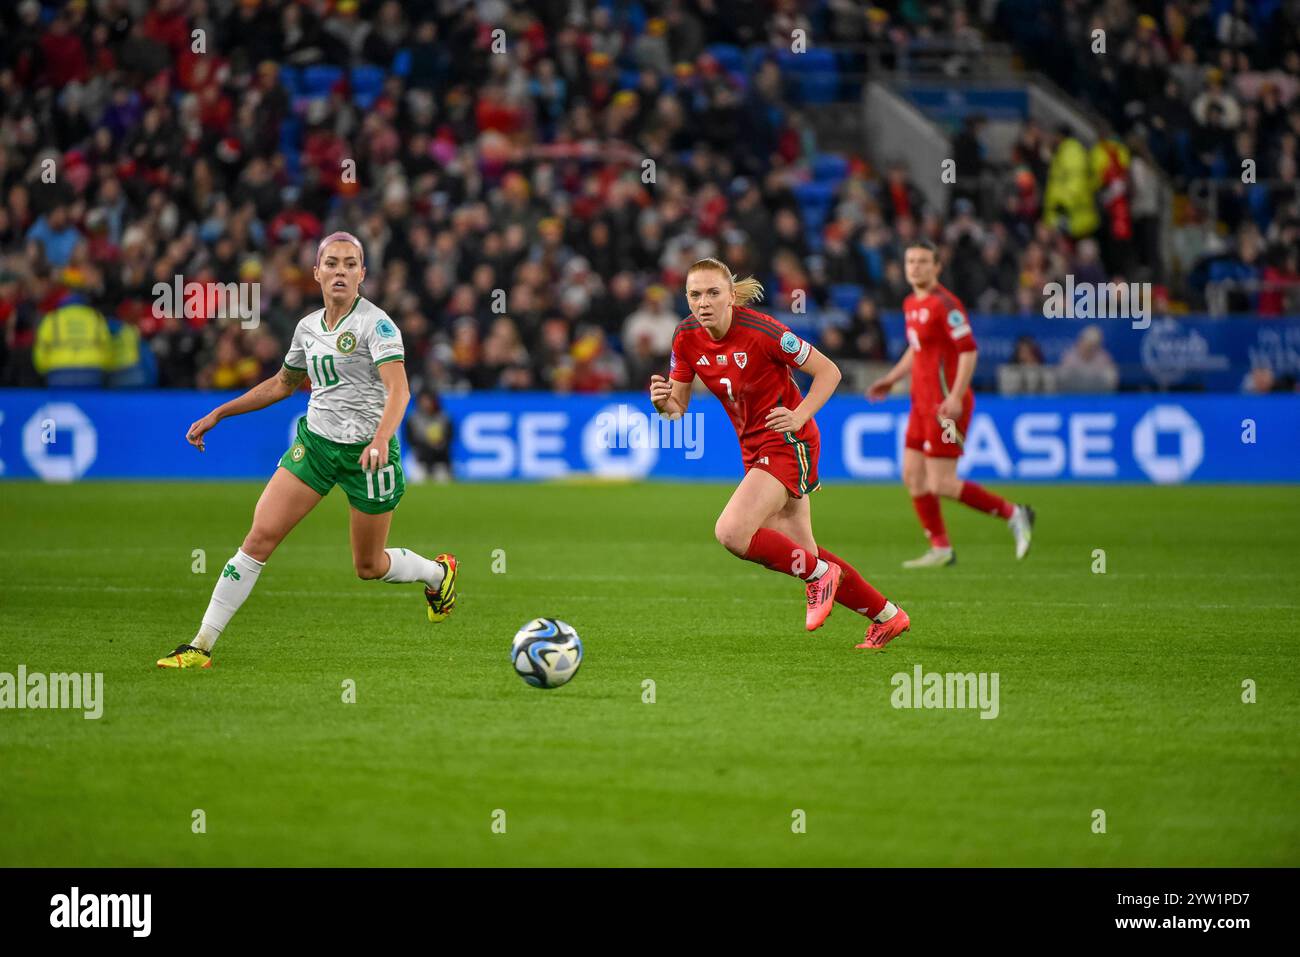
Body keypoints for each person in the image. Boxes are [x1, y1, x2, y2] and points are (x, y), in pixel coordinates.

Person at [157, 232, 457, 668]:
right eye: (332, 263)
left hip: (368, 458)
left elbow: (400, 392)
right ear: (316, 272)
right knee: (258, 539)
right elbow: (283, 383)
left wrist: (378, 440)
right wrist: (221, 412)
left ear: (362, 274)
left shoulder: (378, 325)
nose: (340, 271)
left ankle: (437, 572)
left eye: (350, 264)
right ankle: (200, 645)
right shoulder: (308, 328)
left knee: (369, 567)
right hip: (314, 448)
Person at [650, 257, 910, 651]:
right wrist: (661, 404)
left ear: (732, 296)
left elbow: (829, 372)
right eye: (695, 294)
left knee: (732, 532)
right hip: (753, 448)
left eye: (713, 293)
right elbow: (678, 411)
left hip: (789, 440)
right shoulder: (685, 337)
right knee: (803, 552)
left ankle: (819, 576)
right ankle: (888, 616)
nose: (703, 302)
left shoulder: (763, 330)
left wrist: (800, 413)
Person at [867, 240, 1034, 568]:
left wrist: (956, 395)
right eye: (910, 261)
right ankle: (940, 547)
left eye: (923, 261)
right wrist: (891, 378)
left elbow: (969, 350)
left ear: (937, 267)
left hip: (946, 405)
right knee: (913, 476)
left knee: (941, 482)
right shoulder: (910, 303)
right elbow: (916, 351)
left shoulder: (947, 305)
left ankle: (1015, 514)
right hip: (920, 404)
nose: (915, 267)